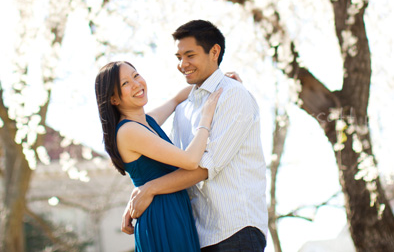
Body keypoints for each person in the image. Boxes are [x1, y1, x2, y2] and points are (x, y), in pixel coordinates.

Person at [122, 20, 270, 252]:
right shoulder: (184, 109)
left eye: (190, 55)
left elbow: (204, 167)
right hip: (197, 234)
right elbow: (172, 166)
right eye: (179, 57)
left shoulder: (234, 96)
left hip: (235, 230)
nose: (183, 64)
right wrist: (137, 197)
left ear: (214, 52)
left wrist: (148, 190)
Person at [95, 60, 222, 252]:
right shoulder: (128, 131)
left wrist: (221, 83)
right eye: (125, 83)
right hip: (162, 216)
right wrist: (206, 118)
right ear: (114, 99)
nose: (136, 84)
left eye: (136, 75)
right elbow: (190, 160)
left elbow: (175, 100)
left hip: (172, 210)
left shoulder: (145, 122)